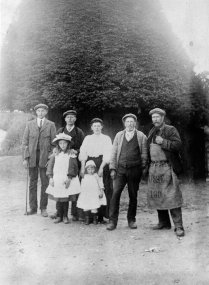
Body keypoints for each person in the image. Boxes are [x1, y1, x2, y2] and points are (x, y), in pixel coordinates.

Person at [147, 108, 185, 237]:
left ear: (163, 117)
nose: (155, 119)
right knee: (158, 195)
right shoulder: (152, 131)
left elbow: (178, 145)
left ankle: (179, 226)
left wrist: (163, 142)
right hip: (154, 168)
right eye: (153, 117)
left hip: (167, 167)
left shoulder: (170, 129)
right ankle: (163, 223)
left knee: (172, 196)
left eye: (157, 117)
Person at [107, 113, 148, 231]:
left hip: (135, 169)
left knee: (133, 195)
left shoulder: (141, 136)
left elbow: (144, 153)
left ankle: (131, 220)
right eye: (127, 122)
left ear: (135, 123)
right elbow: (113, 152)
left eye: (132, 122)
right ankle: (112, 221)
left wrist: (143, 167)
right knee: (115, 195)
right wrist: (113, 168)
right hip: (120, 170)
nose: (129, 124)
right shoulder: (119, 135)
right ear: (124, 123)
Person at [22, 103, 56, 217]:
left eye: (43, 111)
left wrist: (50, 158)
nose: (41, 113)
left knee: (45, 183)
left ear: (46, 112)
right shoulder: (29, 124)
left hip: (44, 158)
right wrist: (25, 158)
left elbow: (54, 144)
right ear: (36, 112)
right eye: (39, 111)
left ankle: (43, 208)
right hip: (32, 157)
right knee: (32, 183)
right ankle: (33, 208)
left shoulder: (51, 125)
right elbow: (25, 143)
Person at [51, 110, 85, 221]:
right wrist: (55, 151)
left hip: (73, 162)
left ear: (75, 119)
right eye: (68, 117)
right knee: (60, 187)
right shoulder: (61, 130)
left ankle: (74, 213)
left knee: (73, 187)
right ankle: (59, 212)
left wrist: (75, 151)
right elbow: (56, 145)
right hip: (61, 163)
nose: (70, 119)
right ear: (65, 119)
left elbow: (83, 147)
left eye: (72, 117)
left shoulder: (79, 132)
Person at [79, 118, 112, 223]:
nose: (97, 128)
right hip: (89, 164)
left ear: (102, 127)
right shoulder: (88, 138)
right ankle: (87, 215)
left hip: (102, 162)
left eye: (99, 126)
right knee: (88, 188)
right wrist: (83, 167)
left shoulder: (106, 138)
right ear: (91, 127)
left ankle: (101, 216)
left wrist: (101, 168)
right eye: (94, 126)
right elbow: (83, 152)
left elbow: (108, 153)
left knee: (102, 188)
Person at [46, 133, 81, 224]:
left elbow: (74, 167)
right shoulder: (55, 154)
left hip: (66, 178)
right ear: (58, 144)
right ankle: (59, 216)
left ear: (68, 144)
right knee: (58, 198)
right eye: (60, 143)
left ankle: (65, 216)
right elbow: (50, 166)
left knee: (65, 198)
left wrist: (69, 178)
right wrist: (50, 178)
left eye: (64, 143)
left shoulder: (71, 155)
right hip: (57, 178)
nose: (63, 145)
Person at [77, 160, 107, 225]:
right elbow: (82, 185)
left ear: (95, 169)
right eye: (89, 169)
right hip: (87, 194)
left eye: (92, 169)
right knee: (86, 206)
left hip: (94, 194)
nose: (91, 170)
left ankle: (94, 219)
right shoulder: (85, 176)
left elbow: (100, 184)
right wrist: (82, 193)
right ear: (86, 169)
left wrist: (101, 191)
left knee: (94, 206)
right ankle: (87, 218)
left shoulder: (96, 176)